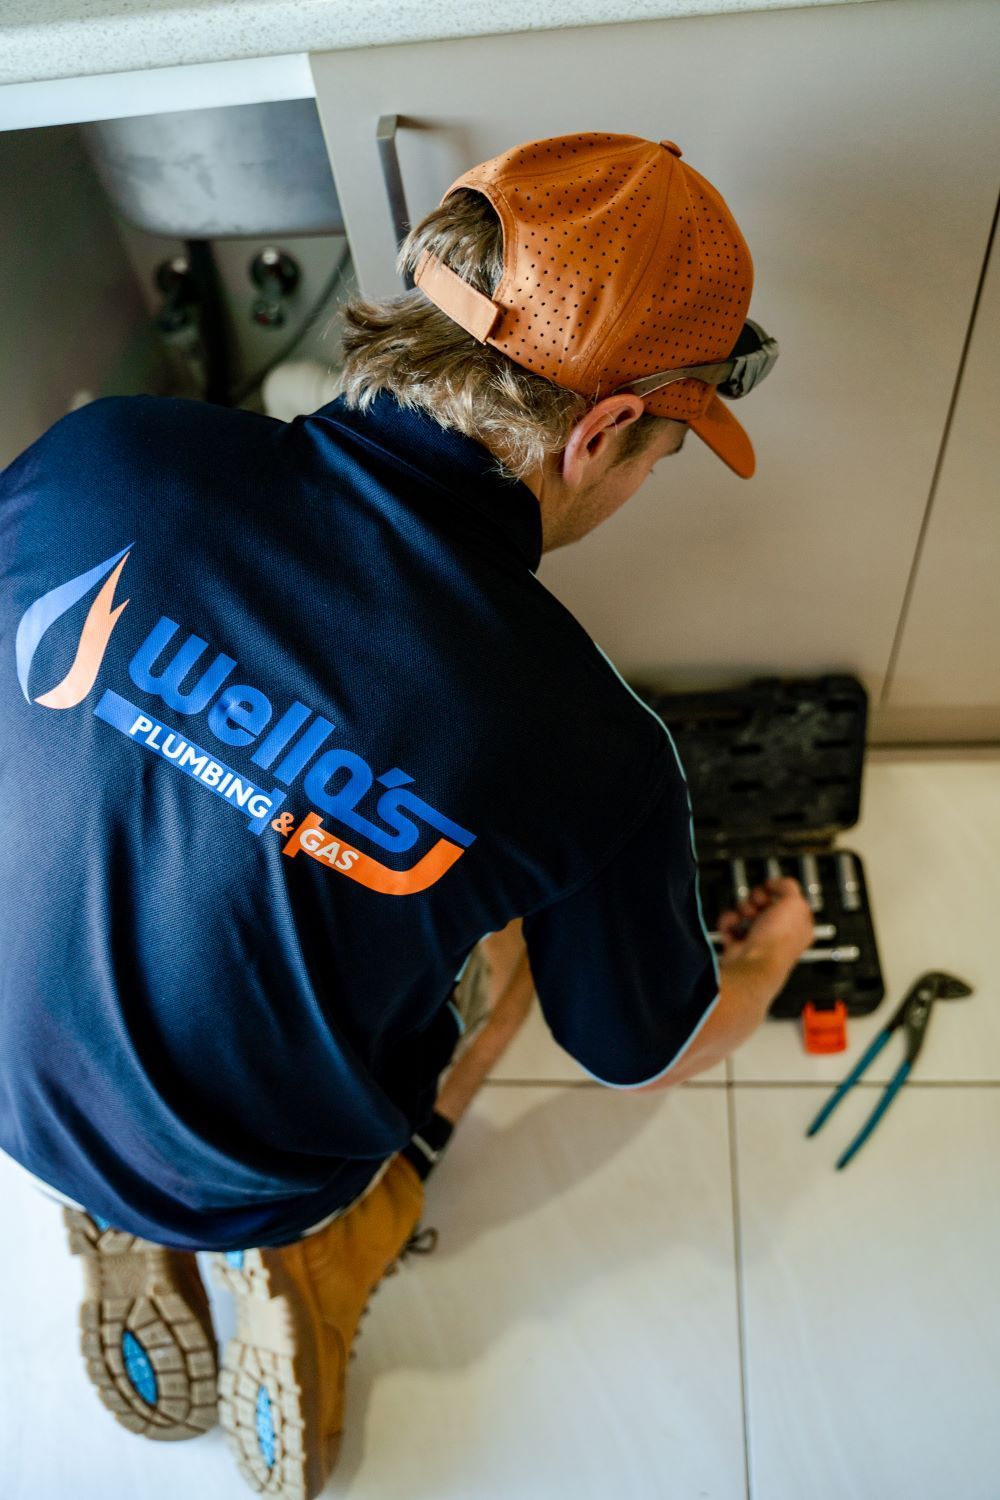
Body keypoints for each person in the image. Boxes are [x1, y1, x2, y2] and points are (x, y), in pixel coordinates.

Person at [0, 132, 815, 1498]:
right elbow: (637, 1052)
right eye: (661, 455)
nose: (640, 482)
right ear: (601, 431)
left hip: (14, 1079)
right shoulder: (587, 745)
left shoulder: (102, 452)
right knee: (502, 952)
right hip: (254, 1171)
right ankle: (310, 1257)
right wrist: (769, 960)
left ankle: (107, 1192)